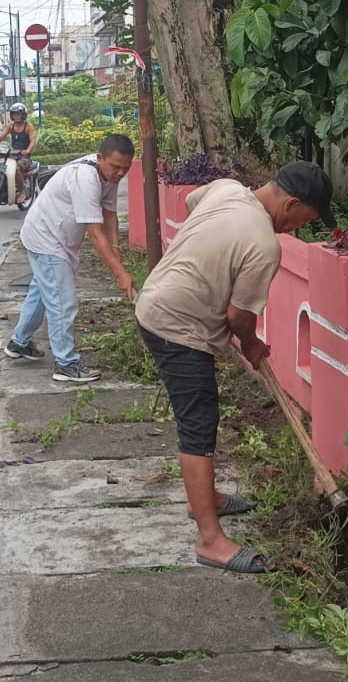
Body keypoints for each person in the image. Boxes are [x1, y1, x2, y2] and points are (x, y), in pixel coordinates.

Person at [135, 162, 336, 575]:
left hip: (156, 302)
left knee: (200, 417)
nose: (297, 229)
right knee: (198, 425)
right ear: (291, 204)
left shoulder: (226, 189)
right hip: (178, 326)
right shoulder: (264, 244)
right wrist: (252, 343)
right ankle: (209, 539)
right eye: (304, 220)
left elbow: (192, 204)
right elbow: (238, 317)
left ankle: (205, 499)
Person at [5, 133, 136, 382]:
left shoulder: (108, 175)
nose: (120, 173)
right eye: (116, 167)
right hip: (46, 238)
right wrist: (120, 273)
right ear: (100, 158)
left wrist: (116, 253)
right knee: (62, 302)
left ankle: (19, 342)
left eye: (125, 168)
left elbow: (110, 215)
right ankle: (66, 363)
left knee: (42, 292)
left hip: (54, 236)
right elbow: (95, 234)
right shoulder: (86, 179)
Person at [0, 102, 37, 205]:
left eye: (19, 114)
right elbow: (2, 136)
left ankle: (21, 192)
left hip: (24, 157)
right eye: (14, 114)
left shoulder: (28, 127)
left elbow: (33, 141)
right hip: (12, 154)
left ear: (23, 115)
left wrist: (27, 151)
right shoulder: (11, 126)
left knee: (16, 168)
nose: (16, 116)